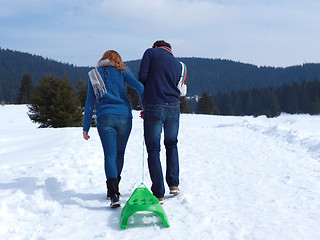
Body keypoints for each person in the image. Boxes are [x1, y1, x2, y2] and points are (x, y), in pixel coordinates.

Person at [82, 50, 144, 208]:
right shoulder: (122, 71)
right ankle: (115, 187)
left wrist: (86, 127)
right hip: (124, 117)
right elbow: (140, 87)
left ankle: (113, 193)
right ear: (117, 60)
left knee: (109, 154)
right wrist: (143, 108)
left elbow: (89, 103)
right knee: (120, 153)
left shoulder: (94, 75)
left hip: (105, 118)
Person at [138, 40, 187, 204]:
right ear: (169, 50)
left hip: (154, 105)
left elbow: (142, 77)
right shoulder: (180, 65)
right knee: (172, 144)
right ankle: (174, 184)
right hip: (174, 107)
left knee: (153, 149)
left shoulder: (150, 53)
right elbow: (181, 88)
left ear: (155, 47)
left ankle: (158, 193)